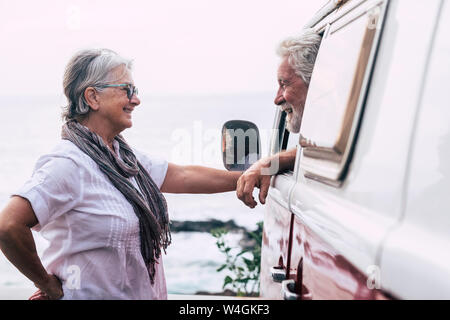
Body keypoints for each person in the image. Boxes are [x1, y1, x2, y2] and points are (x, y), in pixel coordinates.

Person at [0, 49, 243, 300]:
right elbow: (8, 225)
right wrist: (47, 284)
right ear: (93, 97)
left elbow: (182, 175)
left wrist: (249, 177)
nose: (136, 100)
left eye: (135, 91)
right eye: (127, 89)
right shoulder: (68, 163)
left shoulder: (121, 157)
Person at [236, 29, 322, 208]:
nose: (277, 99)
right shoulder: (335, 135)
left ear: (317, 83)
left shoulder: (354, 133)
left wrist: (270, 163)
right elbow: (321, 150)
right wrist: (272, 163)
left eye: (284, 84)